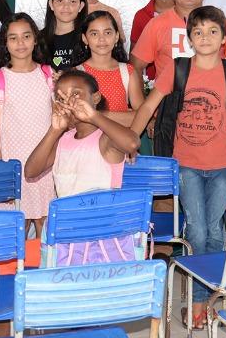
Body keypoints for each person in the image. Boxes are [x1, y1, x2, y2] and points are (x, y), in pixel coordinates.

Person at [131, 6, 226, 329]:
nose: (205, 37)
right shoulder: (178, 69)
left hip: (220, 166)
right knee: (197, 231)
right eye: (198, 32)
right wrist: (129, 139)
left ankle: (209, 298)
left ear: (224, 38)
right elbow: (149, 104)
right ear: (189, 38)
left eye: (213, 32)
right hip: (186, 165)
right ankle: (196, 299)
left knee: (216, 233)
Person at [24, 69, 141, 264]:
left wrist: (94, 116)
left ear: (95, 98)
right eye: (62, 97)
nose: (70, 101)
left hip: (105, 233)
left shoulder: (105, 138)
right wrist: (54, 131)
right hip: (70, 235)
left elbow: (131, 143)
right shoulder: (63, 140)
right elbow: (31, 171)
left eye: (76, 94)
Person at [0, 14, 56, 245]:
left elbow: (59, 122)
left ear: (35, 39)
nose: (21, 43)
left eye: (26, 36)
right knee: (15, 237)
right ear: (5, 43)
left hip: (46, 167)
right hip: (12, 169)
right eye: (13, 38)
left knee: (47, 236)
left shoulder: (49, 75)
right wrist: (2, 173)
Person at [131, 0, 226, 83]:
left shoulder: (222, 23)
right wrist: (140, 102)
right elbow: (135, 67)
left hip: (213, 99)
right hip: (169, 99)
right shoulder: (156, 24)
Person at [78, 10, 143, 120]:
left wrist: (96, 115)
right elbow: (77, 117)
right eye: (94, 34)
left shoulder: (127, 72)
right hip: (89, 137)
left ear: (116, 36)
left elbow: (142, 116)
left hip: (120, 137)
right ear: (85, 38)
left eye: (107, 33)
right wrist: (125, 117)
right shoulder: (78, 73)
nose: (101, 39)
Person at [42, 0, 88, 70]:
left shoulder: (88, 38)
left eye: (72, 1)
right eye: (60, 1)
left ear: (81, 6)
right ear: (51, 4)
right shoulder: (38, 39)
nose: (66, 6)